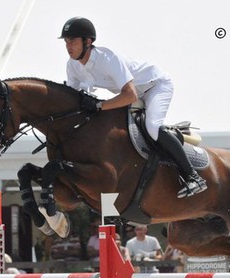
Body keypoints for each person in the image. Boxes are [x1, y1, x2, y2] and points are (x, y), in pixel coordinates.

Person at [60, 16, 205, 198]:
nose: (68, 45)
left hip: (155, 86)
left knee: (152, 127)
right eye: (66, 41)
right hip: (131, 92)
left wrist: (98, 105)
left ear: (88, 42)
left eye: (72, 40)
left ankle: (193, 176)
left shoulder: (107, 58)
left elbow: (130, 95)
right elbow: (73, 97)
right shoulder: (72, 66)